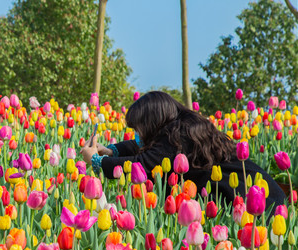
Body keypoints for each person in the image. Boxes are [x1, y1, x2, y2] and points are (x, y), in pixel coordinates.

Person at [80, 91, 286, 215]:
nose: (136, 135)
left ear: (151, 124)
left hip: (251, 200)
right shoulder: (182, 127)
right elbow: (146, 150)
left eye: (138, 129)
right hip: (257, 193)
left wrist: (97, 161)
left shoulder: (177, 136)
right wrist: (112, 150)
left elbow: (142, 165)